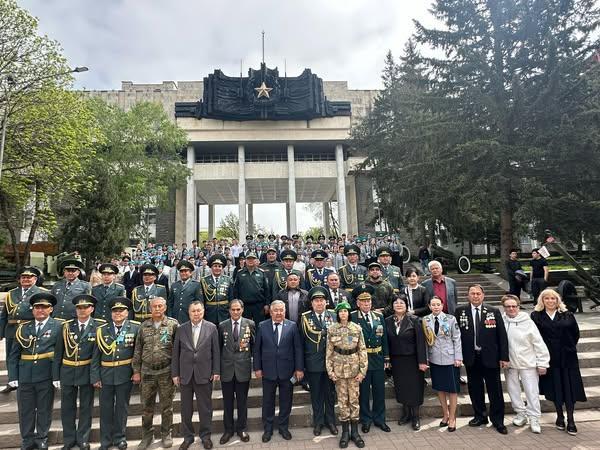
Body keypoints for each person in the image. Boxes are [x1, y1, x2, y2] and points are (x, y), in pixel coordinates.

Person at [8, 292, 63, 450]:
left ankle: (41, 438)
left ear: (51, 309)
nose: (40, 310)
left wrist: (57, 376)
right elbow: (14, 355)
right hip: (25, 374)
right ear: (32, 310)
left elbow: (60, 353)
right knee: (26, 410)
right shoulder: (23, 328)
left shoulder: (59, 326)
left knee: (44, 409)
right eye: (37, 307)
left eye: (44, 307)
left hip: (46, 373)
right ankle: (27, 439)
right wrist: (13, 376)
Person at [531, 288, 587, 436]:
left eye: (553, 298)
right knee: (555, 388)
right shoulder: (536, 316)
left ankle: (571, 420)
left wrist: (568, 347)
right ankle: (560, 417)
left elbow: (575, 334)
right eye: (547, 298)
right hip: (549, 358)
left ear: (558, 300)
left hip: (567, 358)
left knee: (569, 389)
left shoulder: (567, 315)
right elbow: (534, 337)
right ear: (542, 300)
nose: (550, 301)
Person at [455, 284, 509, 434]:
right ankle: (480, 416)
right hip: (471, 357)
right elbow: (456, 335)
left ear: (483, 295)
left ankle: (498, 420)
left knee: (495, 390)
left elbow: (502, 335)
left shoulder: (493, 311)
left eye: (478, 293)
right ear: (468, 295)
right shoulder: (460, 311)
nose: (475, 296)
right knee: (475, 389)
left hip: (491, 357)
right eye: (472, 293)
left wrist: (504, 357)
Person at [55, 294, 105, 450]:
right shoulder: (66, 326)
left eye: (85, 307)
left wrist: (96, 375)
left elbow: (99, 354)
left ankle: (83, 438)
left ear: (92, 309)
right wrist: (56, 376)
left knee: (86, 407)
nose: (82, 310)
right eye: (79, 307)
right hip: (68, 370)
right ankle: (69, 439)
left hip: (87, 370)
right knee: (67, 407)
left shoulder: (99, 326)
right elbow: (58, 353)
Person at [91, 297, 140, 450]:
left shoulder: (135, 328)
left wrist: (136, 372)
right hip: (105, 375)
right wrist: (95, 376)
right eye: (115, 311)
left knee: (121, 408)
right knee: (105, 409)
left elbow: (137, 353)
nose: (118, 313)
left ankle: (120, 438)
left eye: (121, 310)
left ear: (127, 312)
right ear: (111, 313)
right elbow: (95, 356)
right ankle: (105, 440)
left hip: (125, 374)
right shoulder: (102, 330)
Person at [132, 297, 179, 450]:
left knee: (167, 406)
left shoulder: (173, 325)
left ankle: (166, 434)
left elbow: (178, 350)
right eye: (154, 306)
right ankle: (147, 435)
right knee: (146, 407)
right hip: (147, 372)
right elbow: (137, 350)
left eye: (160, 306)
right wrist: (136, 371)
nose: (157, 309)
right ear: (150, 308)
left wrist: (176, 372)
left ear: (165, 307)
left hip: (166, 371)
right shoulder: (143, 326)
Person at [253, 300, 304, 442]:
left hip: (287, 371)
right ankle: (268, 429)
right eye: (276, 310)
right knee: (268, 402)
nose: (279, 313)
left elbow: (298, 349)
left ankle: (283, 427)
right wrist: (257, 368)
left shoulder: (292, 326)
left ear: (285, 312)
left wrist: (299, 368)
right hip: (268, 371)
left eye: (281, 310)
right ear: (270, 312)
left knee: (286, 401)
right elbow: (257, 350)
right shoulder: (262, 326)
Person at [172, 301, 220, 449]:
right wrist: (175, 373)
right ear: (189, 313)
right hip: (185, 375)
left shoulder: (212, 328)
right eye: (193, 311)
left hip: (204, 374)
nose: (196, 313)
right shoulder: (181, 329)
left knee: (205, 409)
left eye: (199, 310)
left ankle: (206, 436)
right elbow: (176, 353)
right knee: (186, 410)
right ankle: (188, 437)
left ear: (203, 311)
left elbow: (216, 351)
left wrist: (216, 371)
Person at [501, 294, 550, 434]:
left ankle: (534, 418)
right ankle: (520, 413)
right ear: (504, 308)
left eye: (514, 306)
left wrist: (543, 362)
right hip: (510, 364)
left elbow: (538, 342)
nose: (511, 309)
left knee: (531, 391)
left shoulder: (527, 322)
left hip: (528, 363)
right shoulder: (501, 321)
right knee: (513, 391)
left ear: (518, 306)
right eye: (508, 306)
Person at [326, 302, 367, 449]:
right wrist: (331, 372)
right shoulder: (332, 329)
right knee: (343, 402)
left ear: (349, 313)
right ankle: (345, 433)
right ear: (337, 314)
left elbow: (362, 350)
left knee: (354, 400)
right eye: (341, 311)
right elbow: (329, 352)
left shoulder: (357, 328)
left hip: (354, 370)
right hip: (339, 371)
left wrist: (362, 372)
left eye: (345, 311)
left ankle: (355, 433)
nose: (343, 313)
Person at [350, 284, 391, 434]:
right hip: (362, 360)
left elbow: (384, 338)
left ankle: (380, 419)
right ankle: (366, 420)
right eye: (363, 301)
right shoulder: (353, 317)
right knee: (364, 392)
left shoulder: (378, 316)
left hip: (378, 358)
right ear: (358, 303)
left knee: (380, 391)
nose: (366, 303)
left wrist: (386, 357)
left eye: (368, 301)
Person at [300, 287, 338, 436]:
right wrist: (301, 366)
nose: (319, 303)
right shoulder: (305, 317)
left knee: (330, 394)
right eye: (316, 301)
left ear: (326, 302)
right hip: (313, 363)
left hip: (331, 363)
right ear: (312, 303)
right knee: (316, 395)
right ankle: (318, 422)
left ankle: (331, 421)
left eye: (322, 300)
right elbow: (301, 343)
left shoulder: (333, 315)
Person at [0, 266, 45, 393]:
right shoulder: (11, 293)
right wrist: (1, 332)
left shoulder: (41, 293)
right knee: (11, 357)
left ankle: (28, 382)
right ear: (19, 279)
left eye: (29, 277)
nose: (26, 279)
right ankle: (12, 381)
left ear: (35, 279)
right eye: (23, 277)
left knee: (28, 356)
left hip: (29, 329)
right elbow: (4, 314)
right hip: (12, 329)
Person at [385, 296, 427, 430]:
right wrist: (387, 359)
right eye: (396, 302)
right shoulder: (387, 321)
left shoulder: (415, 320)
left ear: (406, 305)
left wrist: (422, 361)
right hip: (397, 360)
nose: (398, 305)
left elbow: (421, 342)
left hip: (413, 360)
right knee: (401, 387)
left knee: (414, 388)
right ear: (392, 306)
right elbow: (386, 341)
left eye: (401, 303)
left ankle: (415, 417)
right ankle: (406, 414)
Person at [423, 296, 462, 432]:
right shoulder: (425, 320)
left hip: (450, 358)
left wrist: (458, 357)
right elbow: (425, 341)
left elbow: (457, 338)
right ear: (429, 306)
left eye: (438, 304)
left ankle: (452, 418)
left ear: (442, 305)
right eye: (433, 305)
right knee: (440, 388)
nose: (436, 307)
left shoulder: (450, 319)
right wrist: (425, 358)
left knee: (452, 389)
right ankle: (445, 414)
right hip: (434, 358)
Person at [218, 300, 255, 444]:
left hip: (242, 369)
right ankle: (228, 430)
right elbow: (219, 348)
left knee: (242, 402)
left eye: (238, 309)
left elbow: (254, 346)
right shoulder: (222, 325)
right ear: (229, 311)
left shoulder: (250, 324)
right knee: (227, 403)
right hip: (226, 370)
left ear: (242, 309)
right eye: (233, 309)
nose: (235, 312)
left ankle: (241, 429)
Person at [233, 252, 270, 325]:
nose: (250, 261)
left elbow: (266, 290)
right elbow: (235, 290)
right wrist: (237, 303)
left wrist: (267, 304)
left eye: (253, 259)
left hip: (259, 305)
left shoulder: (261, 273)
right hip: (244, 305)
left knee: (259, 326)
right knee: (245, 326)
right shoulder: (240, 273)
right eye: (248, 259)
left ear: (256, 261)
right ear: (245, 261)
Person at [200, 254, 233, 325]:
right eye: (215, 266)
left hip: (225, 313)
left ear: (222, 268)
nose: (217, 268)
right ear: (211, 267)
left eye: (219, 266)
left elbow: (231, 298)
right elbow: (202, 299)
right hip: (209, 313)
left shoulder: (228, 280)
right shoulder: (204, 281)